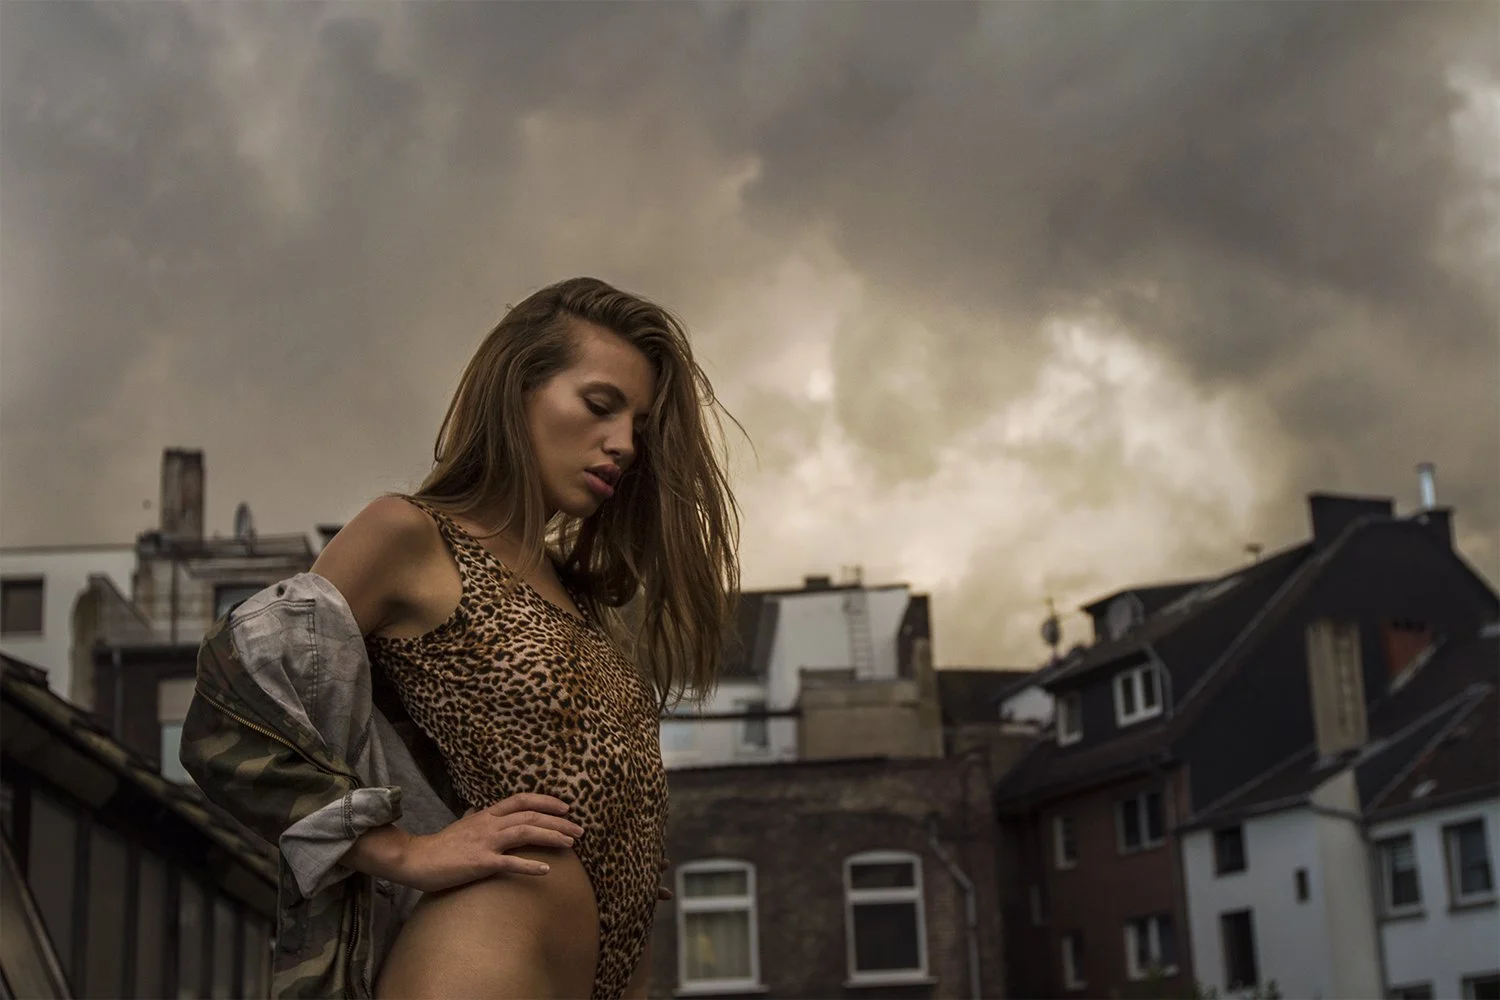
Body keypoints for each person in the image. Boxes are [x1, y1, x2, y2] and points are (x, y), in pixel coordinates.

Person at [181, 276, 741, 999]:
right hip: (483, 956)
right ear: (518, 390)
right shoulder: (411, 535)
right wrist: (403, 852)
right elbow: (230, 704)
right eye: (600, 405)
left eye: (639, 424)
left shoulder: (584, 601)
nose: (624, 444)